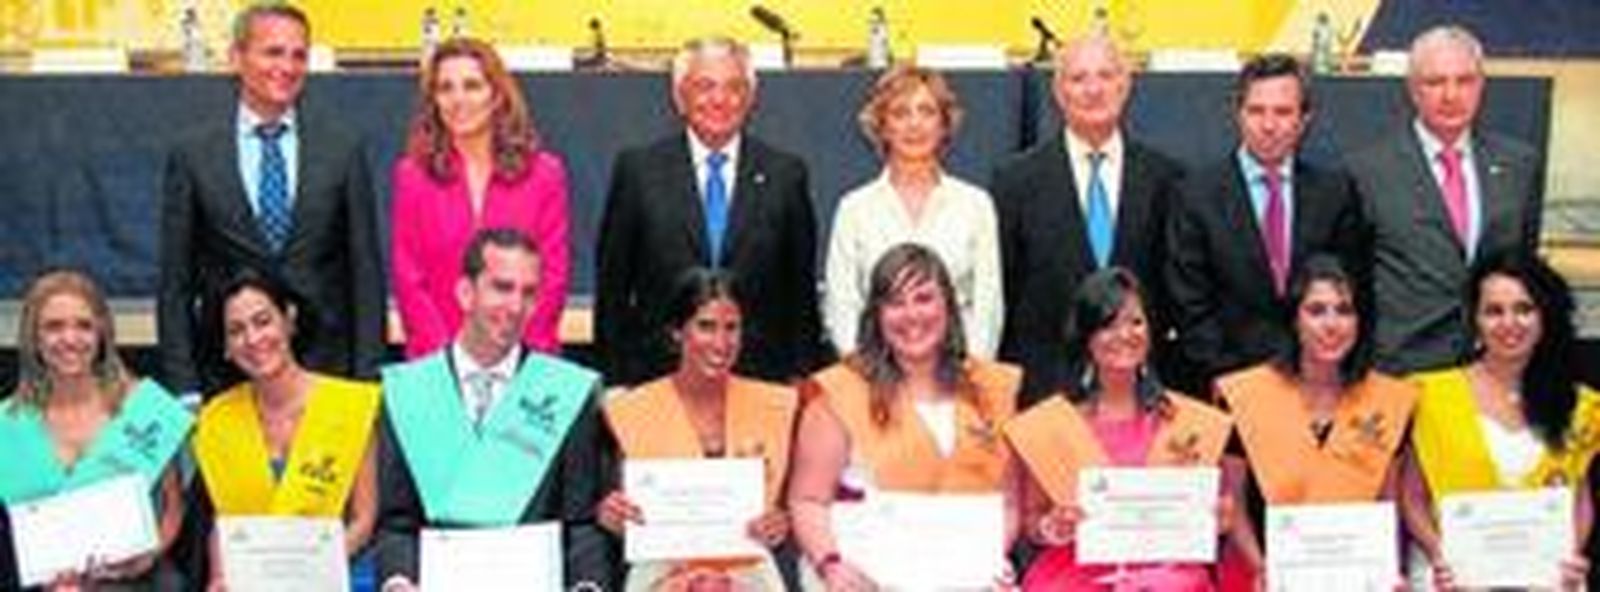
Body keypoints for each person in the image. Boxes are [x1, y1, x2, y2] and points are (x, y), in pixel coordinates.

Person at [159, 1, 384, 396]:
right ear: (236, 58)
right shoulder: (193, 154)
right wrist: (184, 387)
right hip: (228, 378)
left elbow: (365, 274)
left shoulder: (343, 148)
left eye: (299, 55)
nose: (288, 66)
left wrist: (367, 379)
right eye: (273, 52)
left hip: (326, 375)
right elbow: (175, 283)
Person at [375, 228, 610, 590]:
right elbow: (395, 526)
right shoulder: (409, 392)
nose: (516, 307)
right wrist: (398, 583)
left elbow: (581, 525)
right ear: (466, 292)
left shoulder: (566, 392)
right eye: (502, 288)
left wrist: (587, 587)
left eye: (528, 293)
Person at [596, 36, 829, 388]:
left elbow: (800, 295)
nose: (720, 100)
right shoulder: (638, 171)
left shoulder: (786, 175)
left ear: (750, 98)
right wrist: (614, 383)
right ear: (679, 97)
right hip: (659, 380)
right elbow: (613, 289)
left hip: (759, 381)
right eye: (705, 86)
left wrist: (802, 381)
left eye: (734, 87)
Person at [788, 243, 1021, 589]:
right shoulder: (839, 392)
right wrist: (832, 566)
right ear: (876, 315)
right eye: (895, 303)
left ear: (949, 306)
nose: (912, 315)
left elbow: (1008, 506)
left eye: (924, 298)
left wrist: (988, 563)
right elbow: (807, 500)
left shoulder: (992, 389)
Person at [1004, 268, 1231, 590]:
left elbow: (1218, 512)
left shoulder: (1188, 420)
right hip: (1076, 572)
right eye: (1108, 324)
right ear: (1086, 337)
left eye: (1136, 322)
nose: (1125, 334)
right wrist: (1051, 527)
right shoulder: (1052, 423)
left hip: (1166, 575)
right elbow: (1032, 521)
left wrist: (1218, 517)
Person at [992, 33, 1185, 404]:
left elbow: (1171, 292)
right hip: (1046, 394)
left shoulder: (1167, 179)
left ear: (1126, 86)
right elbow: (1007, 295)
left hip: (1141, 393)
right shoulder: (1015, 182)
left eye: (1106, 76)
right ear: (1059, 91)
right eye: (1078, 79)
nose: (1093, 90)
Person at [1165, 53, 1369, 392]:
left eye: (1283, 112)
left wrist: (1320, 369)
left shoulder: (1335, 194)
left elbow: (1351, 292)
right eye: (1257, 111)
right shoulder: (1194, 195)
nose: (1269, 124)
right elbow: (1189, 304)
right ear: (1238, 115)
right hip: (1227, 387)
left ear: (1304, 119)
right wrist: (1234, 381)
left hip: (1318, 385)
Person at [1346, 24, 1543, 374]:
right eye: (1435, 82)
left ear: (1482, 86)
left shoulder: (1519, 165)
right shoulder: (1367, 170)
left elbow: (1522, 265)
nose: (1451, 95)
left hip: (1495, 371)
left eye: (1464, 81)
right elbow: (1351, 280)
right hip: (1403, 370)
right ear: (1412, 90)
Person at [1214, 254, 1419, 589]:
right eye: (1316, 310)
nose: (1332, 324)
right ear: (1294, 320)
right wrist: (1264, 568)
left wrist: (1386, 569)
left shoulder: (1389, 400)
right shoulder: (1245, 396)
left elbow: (1387, 505)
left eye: (1344, 310)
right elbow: (1234, 504)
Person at [597, 268, 798, 590]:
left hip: (750, 569)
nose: (721, 342)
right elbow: (614, 511)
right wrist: (612, 516)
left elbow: (798, 507)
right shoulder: (629, 410)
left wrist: (782, 522)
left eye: (731, 328)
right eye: (706, 326)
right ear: (677, 332)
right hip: (661, 572)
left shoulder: (780, 406)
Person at [1401, 254, 1592, 591]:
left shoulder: (1580, 405)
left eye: (1524, 309)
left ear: (1544, 317)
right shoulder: (1430, 394)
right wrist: (1439, 554)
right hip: (1452, 577)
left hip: (1547, 579)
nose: (1510, 323)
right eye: (1494, 311)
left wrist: (1570, 554)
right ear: (1475, 320)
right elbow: (1413, 497)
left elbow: (1579, 499)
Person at [0, 271, 192, 591]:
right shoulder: (5, 423)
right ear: (33, 338)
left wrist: (149, 556)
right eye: (54, 327)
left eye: (83, 325)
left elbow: (173, 508)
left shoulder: (147, 408)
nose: (70, 339)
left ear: (102, 332)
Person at [190, 268, 380, 590]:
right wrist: (220, 577)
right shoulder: (215, 420)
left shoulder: (350, 404)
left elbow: (364, 520)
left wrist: (306, 574)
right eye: (236, 330)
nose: (252, 339)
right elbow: (224, 524)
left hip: (339, 569)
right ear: (225, 347)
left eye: (263, 321)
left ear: (289, 320)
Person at [391, 36, 571, 359]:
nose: (458, 99)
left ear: (497, 95)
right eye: (445, 88)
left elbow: (552, 278)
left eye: (472, 85)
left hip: (526, 365)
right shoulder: (412, 176)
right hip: (437, 366)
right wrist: (449, 365)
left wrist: (512, 360)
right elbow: (409, 280)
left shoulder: (545, 174)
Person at [824, 65, 1003, 358]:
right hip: (874, 379)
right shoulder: (854, 209)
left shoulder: (975, 205)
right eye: (900, 113)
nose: (914, 125)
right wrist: (869, 375)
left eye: (926, 111)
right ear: (882, 126)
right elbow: (842, 308)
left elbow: (988, 307)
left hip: (957, 378)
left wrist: (966, 377)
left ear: (945, 124)